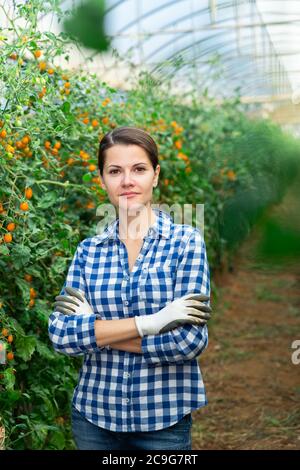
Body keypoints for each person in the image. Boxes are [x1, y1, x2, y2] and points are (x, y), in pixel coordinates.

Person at [48, 126, 212, 451]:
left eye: (138, 169)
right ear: (102, 179)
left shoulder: (185, 244)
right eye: (114, 171)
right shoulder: (88, 251)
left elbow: (189, 341)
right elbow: (62, 335)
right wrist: (151, 323)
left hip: (163, 420)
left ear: (155, 175)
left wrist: (96, 330)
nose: (127, 181)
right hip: (94, 418)